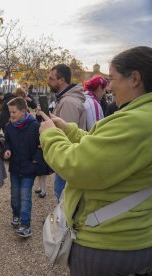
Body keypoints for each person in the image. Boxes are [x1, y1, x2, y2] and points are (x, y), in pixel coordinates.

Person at [39, 46, 152, 275]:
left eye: (113, 79)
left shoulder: (136, 121)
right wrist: (69, 130)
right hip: (128, 235)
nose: (109, 87)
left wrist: (49, 135)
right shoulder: (141, 116)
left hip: (108, 242)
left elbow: (78, 165)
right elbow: (105, 148)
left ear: (135, 79)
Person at [3, 97, 47, 237]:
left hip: (29, 167)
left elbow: (40, 146)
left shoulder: (34, 126)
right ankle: (16, 215)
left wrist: (35, 160)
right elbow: (7, 142)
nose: (11, 115)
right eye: (10, 112)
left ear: (23, 111)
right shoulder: (9, 127)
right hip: (15, 166)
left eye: (14, 112)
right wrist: (7, 150)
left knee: (25, 196)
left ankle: (25, 224)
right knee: (15, 195)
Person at [47, 64, 86, 201]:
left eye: (51, 78)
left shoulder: (68, 102)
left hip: (67, 162)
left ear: (61, 80)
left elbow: (65, 138)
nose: (48, 81)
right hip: (68, 161)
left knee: (63, 198)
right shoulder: (64, 99)